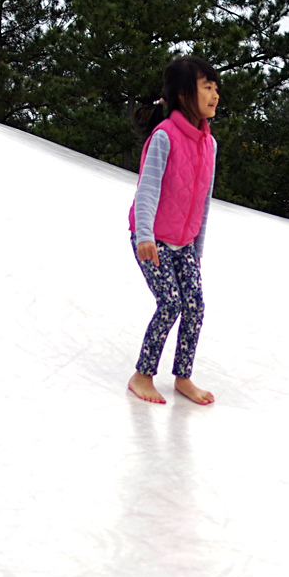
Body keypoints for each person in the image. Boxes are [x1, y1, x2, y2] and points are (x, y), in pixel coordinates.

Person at [126, 56, 220, 405]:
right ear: (183, 93)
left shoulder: (210, 145)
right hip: (151, 240)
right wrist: (144, 236)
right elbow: (147, 189)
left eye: (216, 88)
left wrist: (198, 250)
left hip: (184, 245)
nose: (214, 95)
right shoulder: (164, 136)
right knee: (170, 303)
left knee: (194, 306)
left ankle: (183, 376)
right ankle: (142, 375)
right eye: (206, 87)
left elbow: (204, 203)